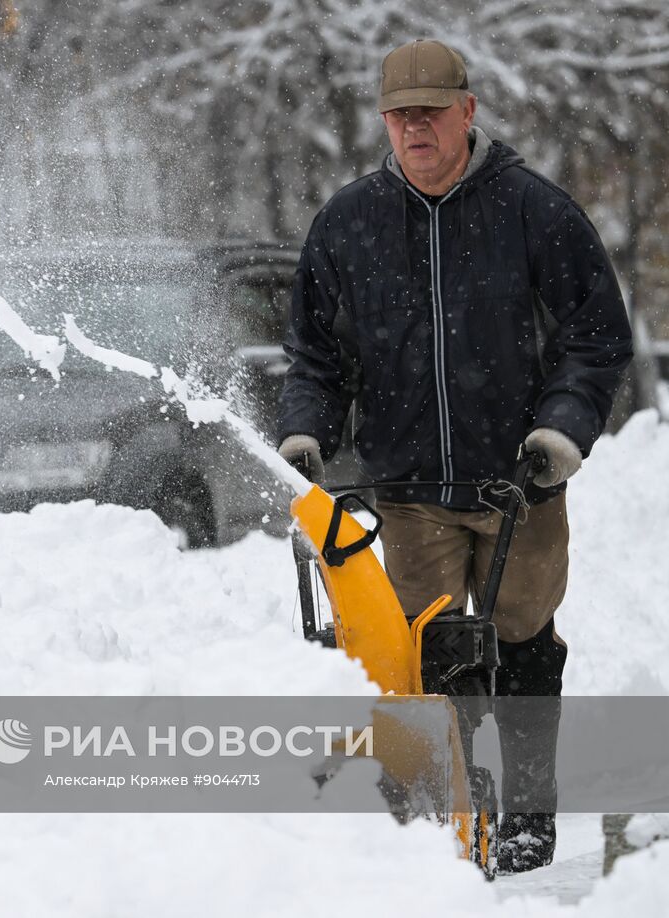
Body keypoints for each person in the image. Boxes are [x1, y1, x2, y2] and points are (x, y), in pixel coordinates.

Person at [277, 39, 633, 873]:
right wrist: (307, 429)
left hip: (519, 480)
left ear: (467, 111)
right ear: (385, 124)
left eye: (431, 114)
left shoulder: (534, 212)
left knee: (523, 638)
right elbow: (317, 358)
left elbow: (595, 339)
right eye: (401, 117)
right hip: (407, 489)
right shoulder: (349, 224)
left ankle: (530, 812)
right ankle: (445, 813)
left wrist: (558, 435)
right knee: (420, 651)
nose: (416, 130)